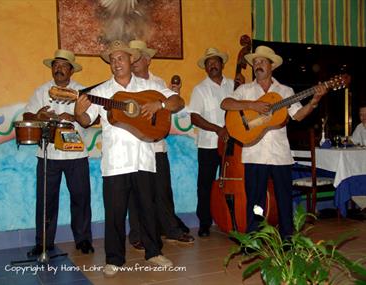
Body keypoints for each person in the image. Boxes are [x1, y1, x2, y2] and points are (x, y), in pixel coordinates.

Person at [74, 40, 184, 276]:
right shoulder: (101, 92)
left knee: (147, 209)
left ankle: (154, 252)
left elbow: (178, 102)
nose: (116, 63)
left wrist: (160, 103)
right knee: (114, 212)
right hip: (115, 162)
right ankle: (114, 258)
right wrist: (78, 112)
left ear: (131, 60)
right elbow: (86, 120)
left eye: (120, 58)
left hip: (144, 158)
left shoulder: (149, 86)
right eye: (112, 60)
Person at [221, 45, 327, 239]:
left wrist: (314, 101)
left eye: (262, 62)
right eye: (255, 62)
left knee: (284, 199)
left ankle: (287, 238)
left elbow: (298, 115)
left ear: (272, 66)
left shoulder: (285, 91)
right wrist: (252, 105)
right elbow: (225, 103)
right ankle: (254, 238)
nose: (257, 65)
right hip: (253, 152)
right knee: (255, 199)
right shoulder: (245, 89)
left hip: (280, 155)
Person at [23, 49, 94, 256]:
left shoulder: (82, 92)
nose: (59, 69)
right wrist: (38, 114)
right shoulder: (41, 91)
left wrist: (74, 116)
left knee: (81, 197)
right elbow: (27, 114)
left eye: (63, 66)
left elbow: (93, 119)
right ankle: (43, 242)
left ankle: (83, 240)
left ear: (71, 70)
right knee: (46, 199)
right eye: (56, 65)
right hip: (48, 153)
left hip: (76, 154)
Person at [127, 40, 194, 249]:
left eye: (137, 57)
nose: (133, 61)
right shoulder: (126, 85)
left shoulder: (159, 83)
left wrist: (164, 102)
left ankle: (171, 230)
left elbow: (174, 105)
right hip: (136, 149)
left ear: (147, 59)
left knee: (163, 192)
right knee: (136, 193)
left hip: (157, 147)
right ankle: (137, 234)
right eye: (132, 57)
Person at [189, 47, 234, 237]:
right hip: (208, 144)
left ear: (222, 64)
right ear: (205, 68)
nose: (212, 65)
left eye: (215, 62)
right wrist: (218, 129)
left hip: (233, 144)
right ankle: (205, 223)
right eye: (209, 64)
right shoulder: (199, 89)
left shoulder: (234, 85)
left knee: (232, 183)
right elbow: (194, 118)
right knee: (205, 185)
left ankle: (233, 219)